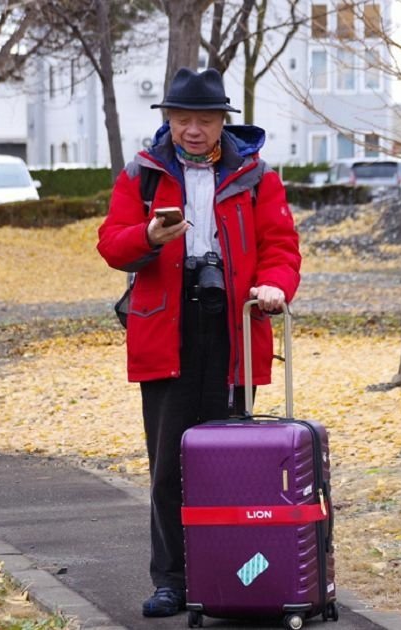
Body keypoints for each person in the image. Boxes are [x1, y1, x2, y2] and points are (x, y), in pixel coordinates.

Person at [97, 67, 301, 618]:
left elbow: (281, 246)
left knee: (234, 466)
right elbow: (113, 245)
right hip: (167, 331)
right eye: (182, 118)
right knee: (170, 465)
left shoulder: (258, 178)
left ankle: (237, 578)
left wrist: (275, 286)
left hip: (236, 328)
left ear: (222, 122)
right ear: (168, 119)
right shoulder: (141, 175)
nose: (192, 129)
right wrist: (148, 236)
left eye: (204, 119)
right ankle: (171, 581)